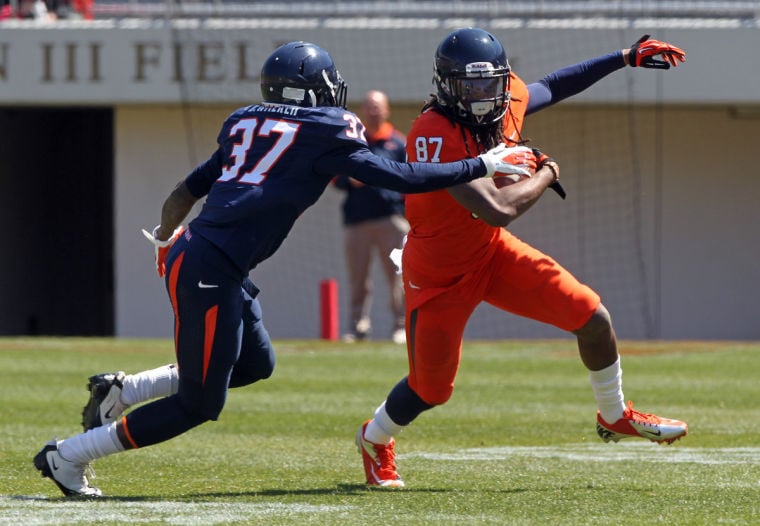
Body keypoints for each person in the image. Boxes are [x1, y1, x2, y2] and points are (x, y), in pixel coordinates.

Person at [32, 40, 533, 497]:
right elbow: (399, 176)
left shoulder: (245, 123)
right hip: (210, 265)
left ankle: (126, 390)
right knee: (198, 405)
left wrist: (164, 240)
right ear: (318, 90)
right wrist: (482, 165)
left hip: (208, 259)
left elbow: (186, 191)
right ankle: (68, 456)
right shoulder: (326, 129)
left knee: (255, 365)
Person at [355, 28, 689, 488]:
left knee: (592, 316)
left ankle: (615, 414)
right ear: (446, 85)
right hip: (438, 275)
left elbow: (554, 84)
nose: (480, 95)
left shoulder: (505, 97)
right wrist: (548, 171)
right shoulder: (432, 133)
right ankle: (375, 438)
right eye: (468, 86)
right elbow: (498, 209)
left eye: (488, 84)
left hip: (490, 255)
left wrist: (625, 56)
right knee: (431, 389)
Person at [333, 90, 409, 344]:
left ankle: (401, 327)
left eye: (378, 107)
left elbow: (410, 180)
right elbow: (336, 179)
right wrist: (350, 180)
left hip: (391, 220)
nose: (374, 111)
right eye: (369, 107)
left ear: (387, 109)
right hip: (357, 221)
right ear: (363, 111)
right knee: (358, 279)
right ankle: (357, 328)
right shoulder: (353, 142)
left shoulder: (399, 143)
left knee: (398, 275)